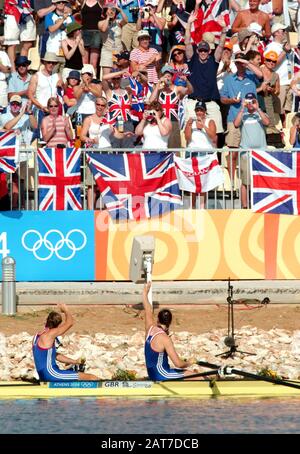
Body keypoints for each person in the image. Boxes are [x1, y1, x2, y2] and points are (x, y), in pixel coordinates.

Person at [143, 281, 197, 381]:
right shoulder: (165, 339)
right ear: (170, 323)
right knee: (197, 376)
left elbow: (148, 309)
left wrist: (144, 293)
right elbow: (179, 364)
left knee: (189, 374)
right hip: (163, 375)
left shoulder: (149, 328)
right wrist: (190, 362)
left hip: (153, 375)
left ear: (158, 320)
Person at [32, 303, 99, 381]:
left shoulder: (36, 336)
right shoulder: (50, 334)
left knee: (75, 373)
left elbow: (54, 356)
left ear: (46, 321)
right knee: (91, 377)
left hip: (43, 376)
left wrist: (74, 361)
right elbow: (70, 323)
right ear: (57, 325)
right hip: (52, 374)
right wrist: (65, 310)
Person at [233, 92, 269, 208]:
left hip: (261, 153)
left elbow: (267, 122)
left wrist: (258, 109)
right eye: (248, 101)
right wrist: (242, 108)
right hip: (246, 153)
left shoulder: (261, 113)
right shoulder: (243, 114)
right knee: (245, 181)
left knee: (262, 180)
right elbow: (236, 124)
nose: (250, 104)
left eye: (252, 101)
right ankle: (244, 206)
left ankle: (261, 204)